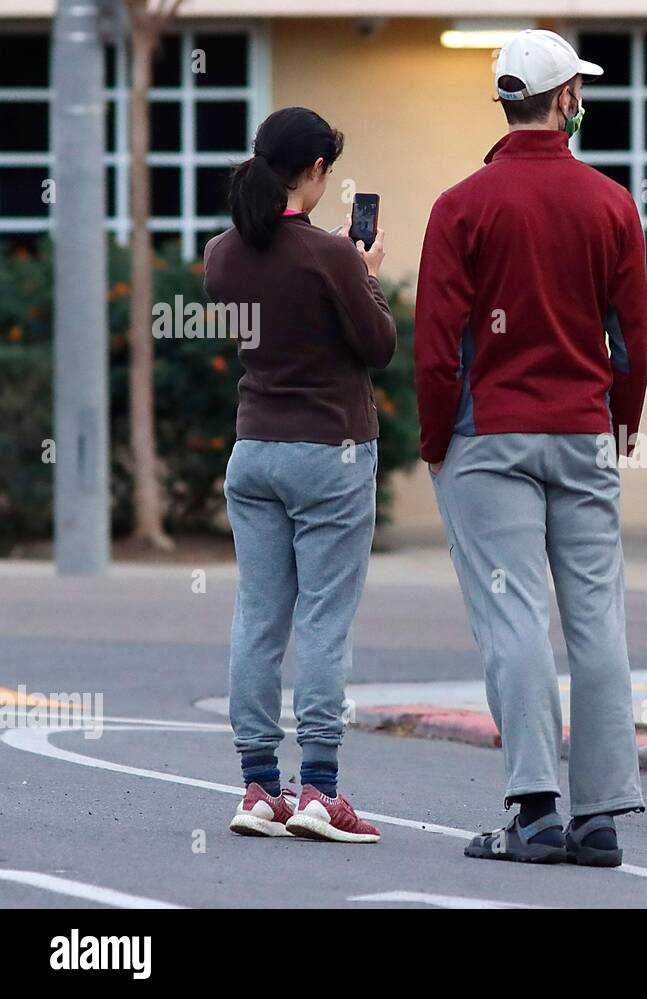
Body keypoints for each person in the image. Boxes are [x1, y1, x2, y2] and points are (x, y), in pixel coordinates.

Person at [414, 29, 647, 867]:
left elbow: (438, 341)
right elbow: (630, 336)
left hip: (489, 436)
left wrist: (436, 436)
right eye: (577, 89)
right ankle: (601, 817)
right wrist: (620, 422)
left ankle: (536, 810)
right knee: (597, 620)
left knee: (512, 618)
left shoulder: (460, 205)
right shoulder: (611, 203)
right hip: (583, 428)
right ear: (564, 100)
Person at [205, 107, 396, 843]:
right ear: (315, 172)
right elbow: (375, 345)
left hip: (254, 451)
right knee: (322, 620)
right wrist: (366, 273)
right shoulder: (331, 256)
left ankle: (258, 785)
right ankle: (319, 791)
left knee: (258, 616)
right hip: (332, 451)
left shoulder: (223, 254)